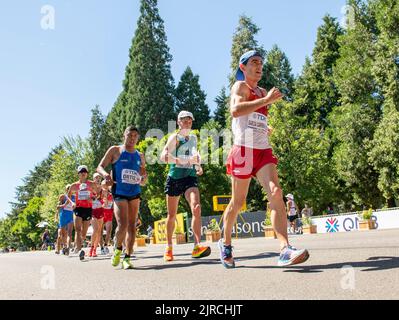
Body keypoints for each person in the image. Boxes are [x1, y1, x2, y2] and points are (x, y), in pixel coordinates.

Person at [219, 50, 309, 268]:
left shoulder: (260, 91)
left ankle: (285, 249)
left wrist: (262, 125)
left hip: (262, 150)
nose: (259, 66)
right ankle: (225, 242)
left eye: (261, 62)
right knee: (238, 203)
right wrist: (266, 100)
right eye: (254, 62)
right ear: (243, 67)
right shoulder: (240, 87)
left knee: (277, 193)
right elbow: (236, 110)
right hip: (243, 151)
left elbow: (253, 115)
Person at [160, 110, 211, 262]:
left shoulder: (193, 138)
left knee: (196, 207)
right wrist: (181, 161)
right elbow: (163, 157)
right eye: (184, 120)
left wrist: (198, 165)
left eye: (190, 121)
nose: (187, 123)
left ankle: (196, 246)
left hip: (190, 177)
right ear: (178, 122)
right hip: (174, 178)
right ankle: (169, 247)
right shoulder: (175, 137)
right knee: (172, 215)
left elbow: (196, 154)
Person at [97, 126, 147, 270]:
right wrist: (106, 175)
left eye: (135, 136)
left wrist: (143, 179)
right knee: (122, 225)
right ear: (124, 135)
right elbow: (100, 166)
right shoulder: (115, 150)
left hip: (135, 193)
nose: (132, 138)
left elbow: (143, 175)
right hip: (119, 192)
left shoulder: (140, 155)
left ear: (137, 138)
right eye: (129, 135)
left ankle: (127, 257)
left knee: (132, 227)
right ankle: (118, 249)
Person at [68, 165, 96, 260]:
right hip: (78, 208)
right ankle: (80, 250)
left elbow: (97, 195)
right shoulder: (74, 185)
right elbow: (68, 196)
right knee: (78, 229)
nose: (83, 173)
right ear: (78, 174)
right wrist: (72, 202)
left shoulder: (92, 184)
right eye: (81, 171)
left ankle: (79, 244)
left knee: (83, 233)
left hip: (88, 208)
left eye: (85, 171)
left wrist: (91, 198)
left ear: (87, 173)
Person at [55, 185, 75, 255]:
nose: (70, 190)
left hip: (70, 215)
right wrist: (56, 216)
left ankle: (67, 247)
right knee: (62, 234)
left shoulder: (75, 197)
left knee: (69, 233)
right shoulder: (63, 196)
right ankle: (62, 247)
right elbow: (58, 207)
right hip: (63, 215)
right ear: (66, 190)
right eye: (68, 188)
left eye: (71, 188)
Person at [90, 173, 104, 257]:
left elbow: (105, 198)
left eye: (99, 177)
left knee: (99, 232)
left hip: (100, 210)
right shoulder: (90, 188)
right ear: (93, 179)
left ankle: (95, 250)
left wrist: (104, 201)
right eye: (96, 177)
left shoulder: (103, 188)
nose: (98, 179)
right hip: (92, 211)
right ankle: (91, 249)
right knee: (95, 230)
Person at [100, 181, 114, 255]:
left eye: (106, 185)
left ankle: (105, 245)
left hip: (109, 214)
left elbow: (114, 205)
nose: (105, 187)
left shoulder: (112, 195)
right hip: (101, 214)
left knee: (109, 231)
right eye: (103, 186)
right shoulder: (99, 195)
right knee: (100, 232)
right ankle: (101, 247)